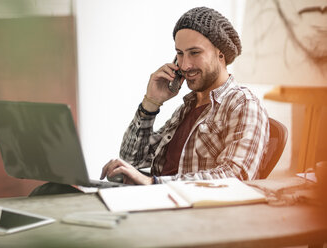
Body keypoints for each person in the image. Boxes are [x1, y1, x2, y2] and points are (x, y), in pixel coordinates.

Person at [100, 6, 270, 185]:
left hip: (195, 210)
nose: (185, 65)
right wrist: (151, 102)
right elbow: (132, 160)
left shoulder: (243, 104)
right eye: (179, 54)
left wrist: (154, 184)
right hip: (158, 202)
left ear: (221, 53)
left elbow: (235, 176)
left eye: (194, 53)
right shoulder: (187, 108)